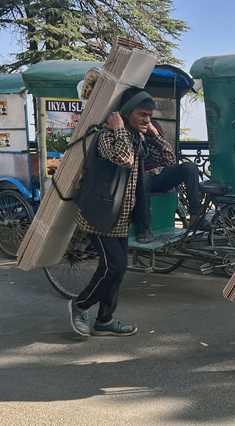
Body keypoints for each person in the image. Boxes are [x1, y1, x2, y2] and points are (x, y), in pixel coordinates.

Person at [68, 87, 175, 337]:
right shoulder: (106, 137)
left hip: (120, 217)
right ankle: (79, 305)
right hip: (99, 215)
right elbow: (125, 158)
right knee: (113, 266)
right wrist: (117, 129)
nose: (147, 119)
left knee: (118, 267)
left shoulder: (139, 137)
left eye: (149, 115)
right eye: (142, 114)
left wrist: (154, 134)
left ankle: (104, 320)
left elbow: (169, 159)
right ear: (126, 113)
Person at [135, 119, 202, 243]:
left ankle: (194, 216)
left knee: (190, 167)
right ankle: (146, 228)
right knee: (142, 178)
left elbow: (170, 160)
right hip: (143, 178)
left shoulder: (154, 126)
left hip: (161, 174)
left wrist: (154, 133)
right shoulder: (132, 131)